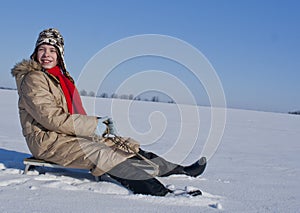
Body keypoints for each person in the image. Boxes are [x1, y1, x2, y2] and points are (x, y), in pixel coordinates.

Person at [11, 28, 207, 196]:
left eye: (52, 50)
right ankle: (161, 193)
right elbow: (51, 119)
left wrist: (97, 125)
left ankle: (178, 170)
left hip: (65, 135)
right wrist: (93, 125)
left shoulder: (60, 78)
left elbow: (67, 116)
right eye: (42, 49)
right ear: (35, 53)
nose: (47, 54)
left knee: (124, 146)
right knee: (102, 153)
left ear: (60, 54)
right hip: (47, 141)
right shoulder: (34, 79)